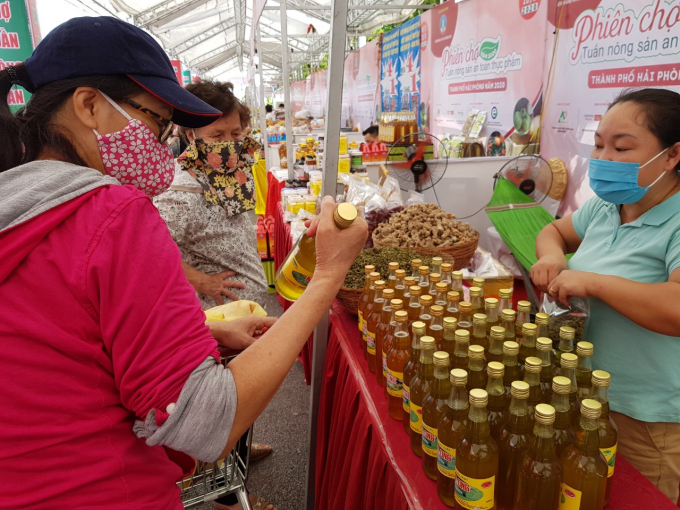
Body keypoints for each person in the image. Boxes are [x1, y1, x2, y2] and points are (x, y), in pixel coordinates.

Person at [0, 16, 367, 510]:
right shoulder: (113, 215)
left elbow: (61, 340)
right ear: (89, 105)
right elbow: (205, 421)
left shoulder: (21, 209)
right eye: (154, 119)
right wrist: (327, 276)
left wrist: (205, 333)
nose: (161, 142)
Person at [531, 88, 680, 503]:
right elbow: (554, 231)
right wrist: (553, 257)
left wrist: (594, 283)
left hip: (645, 417)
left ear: (672, 156)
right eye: (598, 144)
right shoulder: (604, 207)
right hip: (582, 395)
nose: (604, 158)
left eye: (621, 147)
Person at [155, 80, 269, 310]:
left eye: (236, 134)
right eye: (217, 137)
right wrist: (203, 282)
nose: (229, 144)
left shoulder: (226, 174)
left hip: (245, 317)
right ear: (191, 135)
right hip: (219, 326)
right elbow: (149, 252)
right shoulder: (178, 194)